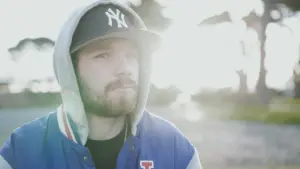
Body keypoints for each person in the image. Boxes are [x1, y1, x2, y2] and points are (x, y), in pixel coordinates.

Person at [0, 1, 202, 169]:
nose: (125, 68)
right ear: (70, 69)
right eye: (103, 55)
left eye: (132, 55)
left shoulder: (176, 150)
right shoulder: (21, 153)